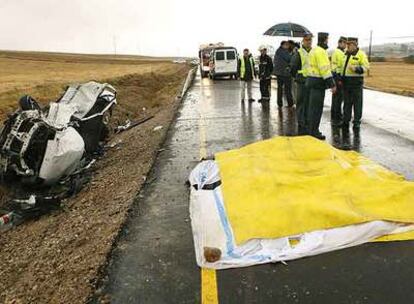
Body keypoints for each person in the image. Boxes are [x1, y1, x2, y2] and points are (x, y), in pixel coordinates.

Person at [306, 32, 337, 140]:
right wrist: (332, 84)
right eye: (327, 39)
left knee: (312, 108)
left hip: (311, 81)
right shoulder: (321, 52)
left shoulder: (313, 50)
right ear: (324, 40)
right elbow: (324, 69)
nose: (328, 41)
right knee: (316, 109)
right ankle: (314, 132)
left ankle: (311, 130)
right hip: (318, 83)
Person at [342, 37, 369, 134]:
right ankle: (345, 120)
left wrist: (356, 69)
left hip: (356, 82)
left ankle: (356, 122)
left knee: (357, 104)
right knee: (347, 103)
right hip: (346, 82)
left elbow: (366, 67)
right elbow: (342, 68)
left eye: (350, 44)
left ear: (355, 45)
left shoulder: (361, 54)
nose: (348, 46)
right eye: (347, 44)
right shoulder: (345, 54)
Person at [290, 33, 313, 135]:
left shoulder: (313, 52)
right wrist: (296, 76)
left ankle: (307, 121)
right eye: (307, 40)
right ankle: (301, 122)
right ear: (303, 41)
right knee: (300, 102)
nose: (309, 41)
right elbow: (293, 67)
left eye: (310, 40)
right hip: (301, 81)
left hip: (310, 81)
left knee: (308, 103)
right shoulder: (298, 53)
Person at [330, 36, 347, 126]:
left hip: (335, 76)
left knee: (335, 98)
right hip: (338, 77)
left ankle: (334, 116)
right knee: (338, 99)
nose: (345, 45)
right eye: (344, 43)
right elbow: (339, 67)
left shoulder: (337, 52)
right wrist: (339, 79)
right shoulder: (339, 53)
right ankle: (337, 117)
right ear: (340, 43)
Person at [274, 41, 294, 107]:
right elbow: (289, 58)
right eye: (287, 45)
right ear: (283, 45)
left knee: (280, 89)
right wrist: (292, 53)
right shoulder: (283, 51)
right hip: (285, 73)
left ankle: (279, 103)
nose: (288, 46)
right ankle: (290, 103)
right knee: (288, 89)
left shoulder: (278, 51)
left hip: (279, 73)